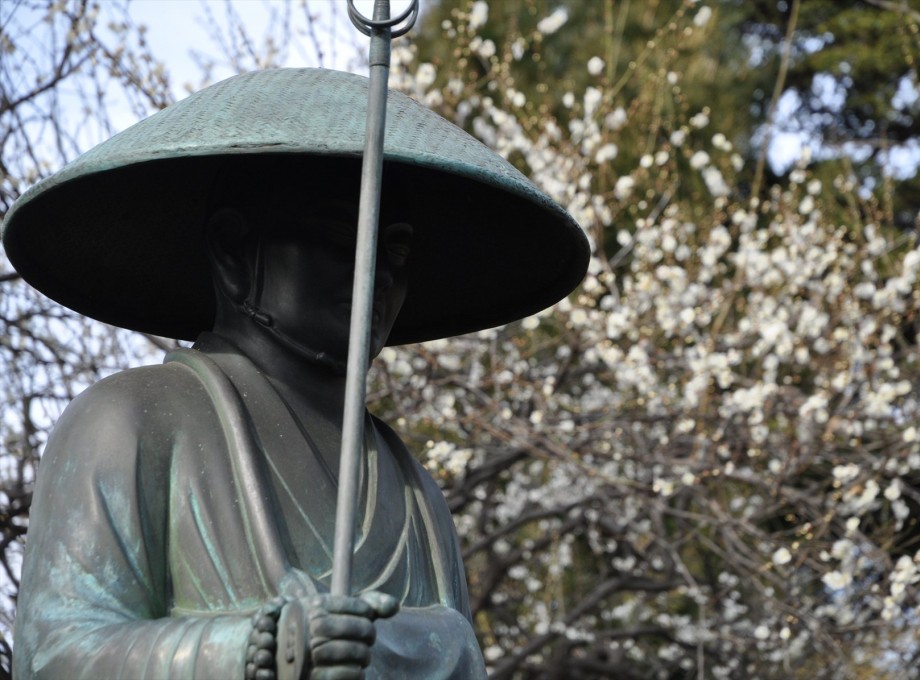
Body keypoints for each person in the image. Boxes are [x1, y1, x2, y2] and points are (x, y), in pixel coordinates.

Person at [4, 68, 588, 679]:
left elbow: (461, 654)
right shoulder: (131, 423)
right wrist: (252, 648)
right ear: (233, 250)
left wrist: (411, 646)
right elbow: (56, 657)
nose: (378, 273)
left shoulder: (411, 489)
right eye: (343, 234)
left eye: (397, 250)